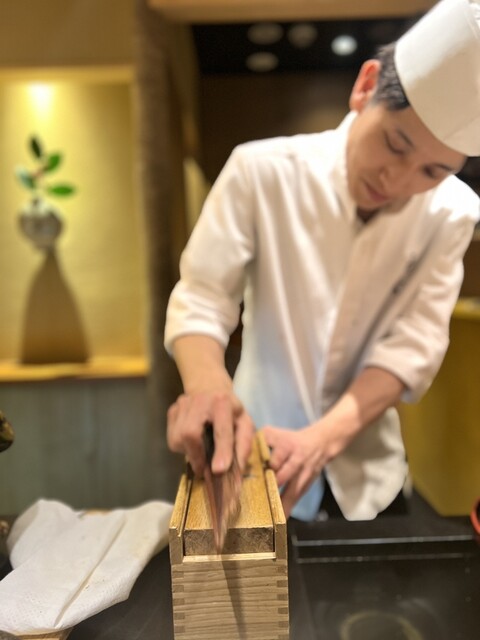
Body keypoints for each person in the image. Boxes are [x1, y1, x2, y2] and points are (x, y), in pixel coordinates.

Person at [164, 0, 480, 521]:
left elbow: (413, 345)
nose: (399, 181)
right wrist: (208, 390)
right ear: (366, 86)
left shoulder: (453, 212)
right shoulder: (260, 172)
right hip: (255, 455)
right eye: (395, 144)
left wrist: (322, 439)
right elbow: (203, 297)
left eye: (433, 172)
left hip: (371, 475)